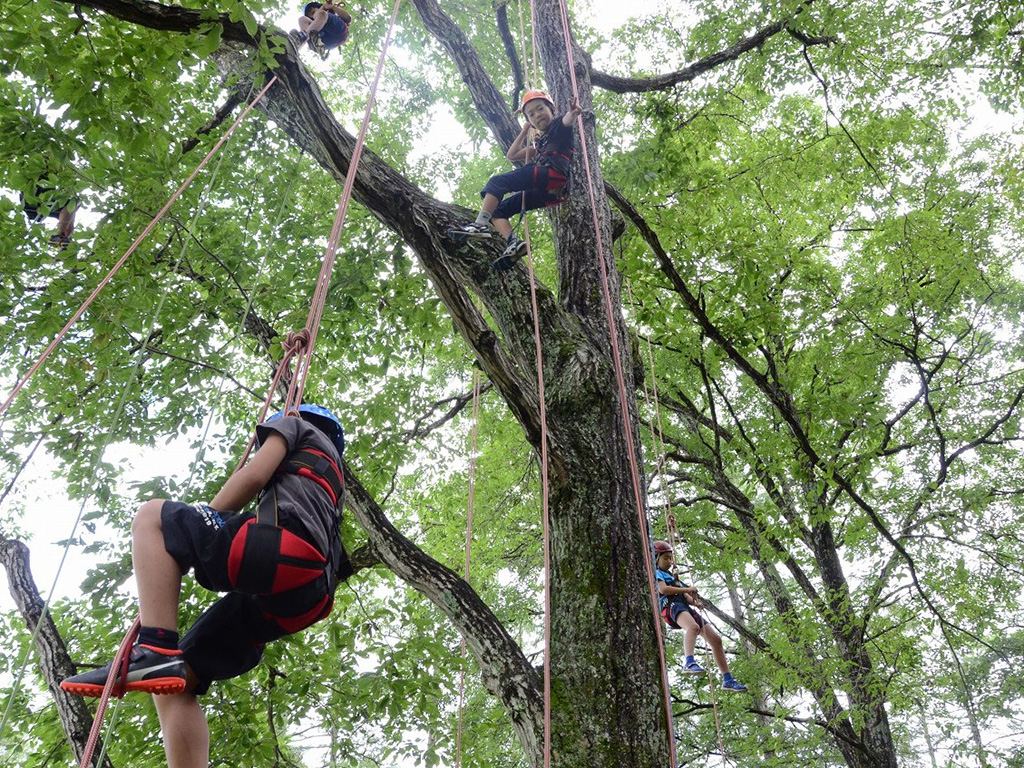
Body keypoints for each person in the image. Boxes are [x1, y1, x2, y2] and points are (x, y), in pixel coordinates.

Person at [61, 404, 353, 768]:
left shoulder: (294, 425)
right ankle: (161, 665)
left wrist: (191, 533)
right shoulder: (333, 480)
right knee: (174, 680)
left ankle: (155, 645)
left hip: (286, 550)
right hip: (309, 596)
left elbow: (253, 476)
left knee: (153, 517)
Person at [450, 89, 583, 271]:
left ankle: (479, 225)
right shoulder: (541, 144)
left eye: (540, 108)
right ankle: (513, 243)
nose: (537, 115)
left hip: (551, 173)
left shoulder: (559, 127)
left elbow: (567, 121)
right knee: (497, 212)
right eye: (531, 114)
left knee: (497, 183)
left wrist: (573, 113)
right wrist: (525, 129)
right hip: (551, 192)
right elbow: (512, 155)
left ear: (551, 109)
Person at [654, 540, 748, 692]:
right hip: (671, 606)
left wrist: (695, 602)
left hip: (682, 605)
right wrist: (687, 589)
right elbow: (663, 590)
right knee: (693, 627)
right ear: (657, 558)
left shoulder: (673, 577)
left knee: (716, 640)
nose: (670, 562)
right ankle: (689, 662)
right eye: (666, 558)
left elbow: (685, 597)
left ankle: (728, 679)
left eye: (671, 558)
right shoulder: (657, 573)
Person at [22, 183, 77, 249]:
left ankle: (63, 236)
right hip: (35, 197)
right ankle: (59, 236)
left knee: (70, 207)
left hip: (34, 202)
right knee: (71, 203)